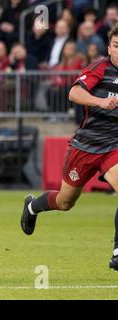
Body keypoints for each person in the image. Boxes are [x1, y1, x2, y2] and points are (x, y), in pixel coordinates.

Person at [20, 26, 118, 270]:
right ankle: (32, 206)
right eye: (117, 45)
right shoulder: (100, 68)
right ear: (109, 48)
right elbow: (74, 93)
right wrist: (101, 102)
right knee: (65, 202)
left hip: (114, 146)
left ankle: (117, 251)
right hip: (86, 145)